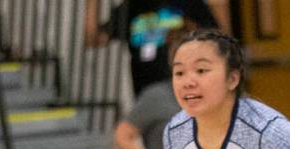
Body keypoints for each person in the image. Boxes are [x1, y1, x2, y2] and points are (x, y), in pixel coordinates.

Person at [84, 0, 229, 98]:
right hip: (147, 95)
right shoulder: (132, 6)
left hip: (188, 93)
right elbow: (94, 39)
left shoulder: (189, 3)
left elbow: (218, 39)